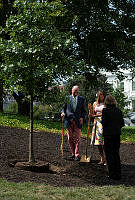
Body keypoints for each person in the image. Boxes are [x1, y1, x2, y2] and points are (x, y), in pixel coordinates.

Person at [102, 94, 125, 180]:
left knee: (109, 154)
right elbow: (122, 123)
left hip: (108, 135)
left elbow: (103, 123)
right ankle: (118, 174)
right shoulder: (118, 111)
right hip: (117, 134)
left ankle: (112, 174)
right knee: (116, 153)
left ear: (106, 101)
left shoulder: (105, 111)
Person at [61, 85, 86, 161]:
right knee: (70, 138)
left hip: (78, 121)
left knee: (78, 138)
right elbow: (63, 108)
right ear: (72, 91)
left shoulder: (82, 99)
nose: (76, 92)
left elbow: (84, 111)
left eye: (77, 91)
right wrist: (62, 113)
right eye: (75, 91)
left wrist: (82, 117)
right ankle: (73, 153)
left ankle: (77, 154)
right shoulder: (67, 98)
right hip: (68, 120)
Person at [91, 90, 106, 165]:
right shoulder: (95, 104)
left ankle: (106, 159)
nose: (101, 96)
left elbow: (105, 113)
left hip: (103, 123)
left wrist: (96, 116)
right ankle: (102, 158)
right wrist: (90, 114)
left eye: (102, 95)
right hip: (96, 123)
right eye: (100, 95)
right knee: (98, 143)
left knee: (103, 142)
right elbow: (93, 113)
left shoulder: (105, 104)